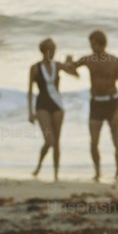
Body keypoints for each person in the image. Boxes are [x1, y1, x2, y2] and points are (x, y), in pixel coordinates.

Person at [61, 30, 118, 182]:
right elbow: (71, 71)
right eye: (90, 43)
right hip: (96, 103)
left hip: (112, 103)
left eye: (94, 43)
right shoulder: (88, 59)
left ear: (102, 43)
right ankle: (97, 173)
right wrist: (67, 62)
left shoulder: (115, 61)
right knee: (93, 141)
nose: (91, 46)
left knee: (116, 140)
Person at [28, 38, 76, 180]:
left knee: (57, 142)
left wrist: (70, 63)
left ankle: (56, 175)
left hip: (57, 104)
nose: (52, 52)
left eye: (54, 49)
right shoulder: (35, 68)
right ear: (43, 51)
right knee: (49, 140)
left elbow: (75, 74)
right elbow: (30, 91)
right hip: (42, 105)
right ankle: (39, 166)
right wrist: (30, 112)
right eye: (50, 49)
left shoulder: (58, 65)